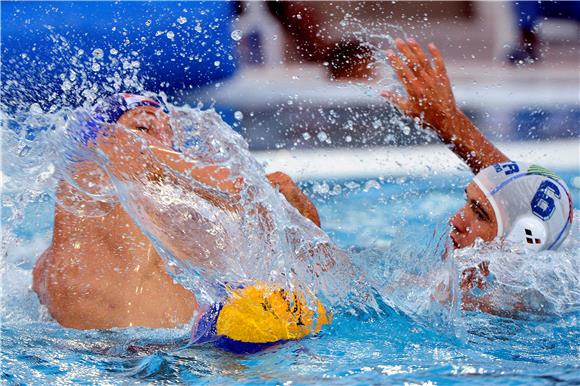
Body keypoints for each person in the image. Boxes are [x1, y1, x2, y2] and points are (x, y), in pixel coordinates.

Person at [33, 93, 322, 332]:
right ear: (98, 137)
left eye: (167, 133)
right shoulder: (109, 151)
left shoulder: (48, 264)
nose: (160, 141)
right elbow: (243, 190)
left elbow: (303, 256)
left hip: (128, 354)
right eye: (144, 128)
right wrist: (277, 188)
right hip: (155, 354)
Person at [382, 38, 574, 314]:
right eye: (468, 203)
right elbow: (522, 199)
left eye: (480, 214)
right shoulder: (433, 288)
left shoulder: (482, 312)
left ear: (521, 242)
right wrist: (448, 123)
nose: (456, 220)